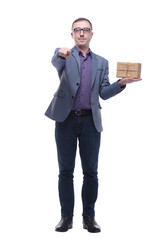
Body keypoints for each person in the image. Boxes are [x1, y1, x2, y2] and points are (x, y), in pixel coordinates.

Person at [45, 17, 142, 233]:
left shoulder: (102, 62)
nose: (81, 33)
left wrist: (121, 84)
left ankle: (89, 217)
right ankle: (66, 217)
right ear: (72, 35)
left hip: (90, 121)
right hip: (66, 120)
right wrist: (60, 53)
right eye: (77, 30)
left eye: (85, 30)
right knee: (65, 171)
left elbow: (104, 93)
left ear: (91, 34)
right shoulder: (64, 55)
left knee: (91, 172)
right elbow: (56, 62)